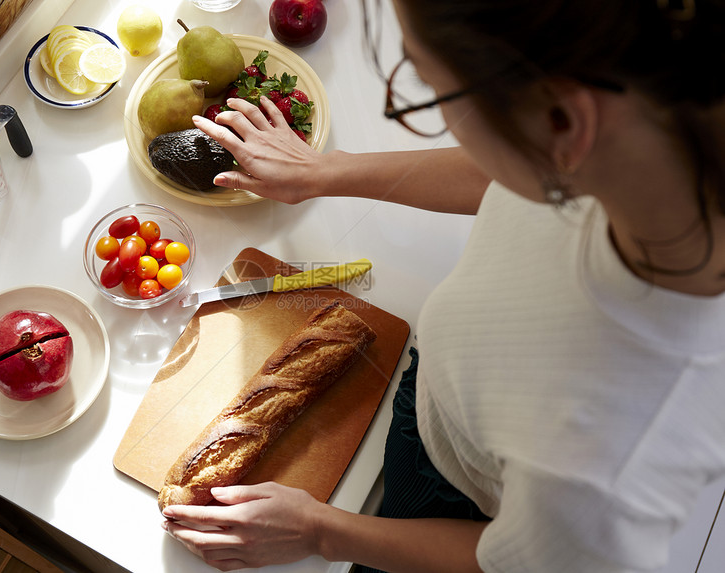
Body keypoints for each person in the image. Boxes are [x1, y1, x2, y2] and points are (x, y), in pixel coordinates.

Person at [160, 0, 725, 571]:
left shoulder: (603, 472)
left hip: (461, 503)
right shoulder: (652, 134)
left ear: (560, 123)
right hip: (448, 396)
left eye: (431, 89)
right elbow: (507, 172)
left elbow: (512, 563)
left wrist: (323, 533)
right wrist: (324, 171)